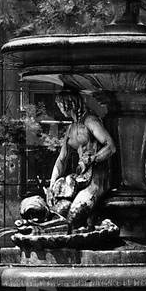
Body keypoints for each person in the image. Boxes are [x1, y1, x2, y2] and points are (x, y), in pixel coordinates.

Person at [47, 91, 116, 229]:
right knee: (60, 210)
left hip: (97, 178)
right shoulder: (71, 128)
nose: (59, 107)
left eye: (60, 104)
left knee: (75, 213)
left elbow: (111, 147)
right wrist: (51, 186)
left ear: (68, 104)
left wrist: (92, 158)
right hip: (80, 178)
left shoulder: (90, 121)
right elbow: (61, 160)